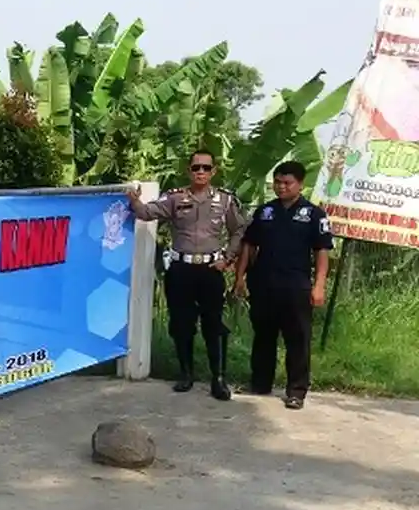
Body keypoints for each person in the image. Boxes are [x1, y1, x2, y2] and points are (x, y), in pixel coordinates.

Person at [126, 150, 246, 401]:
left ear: (213, 171)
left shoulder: (224, 201)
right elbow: (147, 214)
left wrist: (228, 259)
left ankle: (218, 378)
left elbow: (239, 231)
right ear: (188, 171)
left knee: (214, 325)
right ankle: (186, 374)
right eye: (196, 168)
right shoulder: (174, 198)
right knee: (181, 324)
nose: (200, 172)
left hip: (211, 270)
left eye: (205, 167)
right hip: (181, 270)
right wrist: (134, 201)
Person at [234, 161, 333, 410]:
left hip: (296, 286)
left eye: (287, 183)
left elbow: (322, 251)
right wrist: (240, 277)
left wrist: (319, 285)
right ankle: (260, 384)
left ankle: (296, 391)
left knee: (297, 340)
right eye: (277, 182)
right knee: (263, 337)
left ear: (300, 184)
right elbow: (248, 245)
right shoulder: (265, 212)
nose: (281, 187)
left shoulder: (314, 215)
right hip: (264, 284)